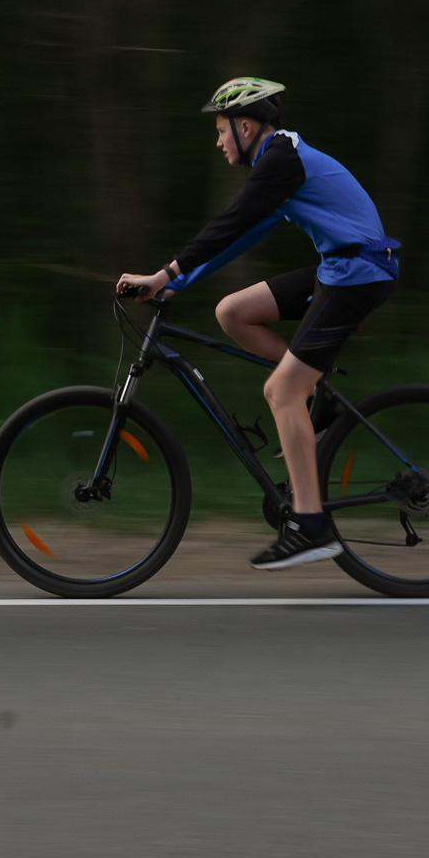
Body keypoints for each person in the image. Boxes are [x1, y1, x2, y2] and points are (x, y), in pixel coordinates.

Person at [116, 77, 401, 570]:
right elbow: (235, 238)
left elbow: (229, 222)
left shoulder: (281, 159)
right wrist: (172, 285)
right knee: (232, 312)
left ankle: (311, 525)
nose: (219, 140)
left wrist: (164, 273)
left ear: (246, 126)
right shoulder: (281, 166)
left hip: (360, 274)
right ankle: (319, 400)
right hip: (341, 268)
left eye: (222, 130)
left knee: (280, 393)